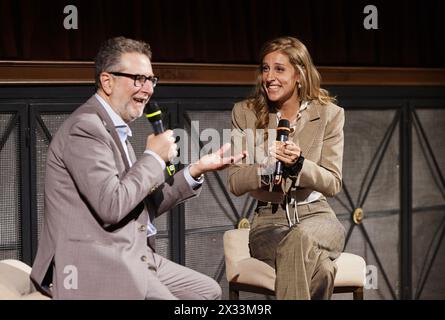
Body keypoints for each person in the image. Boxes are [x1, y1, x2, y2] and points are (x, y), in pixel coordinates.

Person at [30, 36, 245, 299]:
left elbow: (144, 204)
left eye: (151, 80)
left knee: (208, 291)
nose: (148, 89)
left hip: (136, 254)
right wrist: (153, 158)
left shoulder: (116, 129)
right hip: (97, 262)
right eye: (138, 79)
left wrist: (197, 169)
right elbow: (111, 205)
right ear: (107, 81)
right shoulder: (85, 128)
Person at [228, 36, 346, 299]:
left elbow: (333, 183)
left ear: (300, 75)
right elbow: (235, 182)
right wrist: (264, 166)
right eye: (265, 68)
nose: (269, 76)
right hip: (269, 222)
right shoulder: (245, 113)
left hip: (318, 217)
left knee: (301, 237)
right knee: (323, 270)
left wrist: (300, 164)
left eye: (279, 69)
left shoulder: (330, 114)